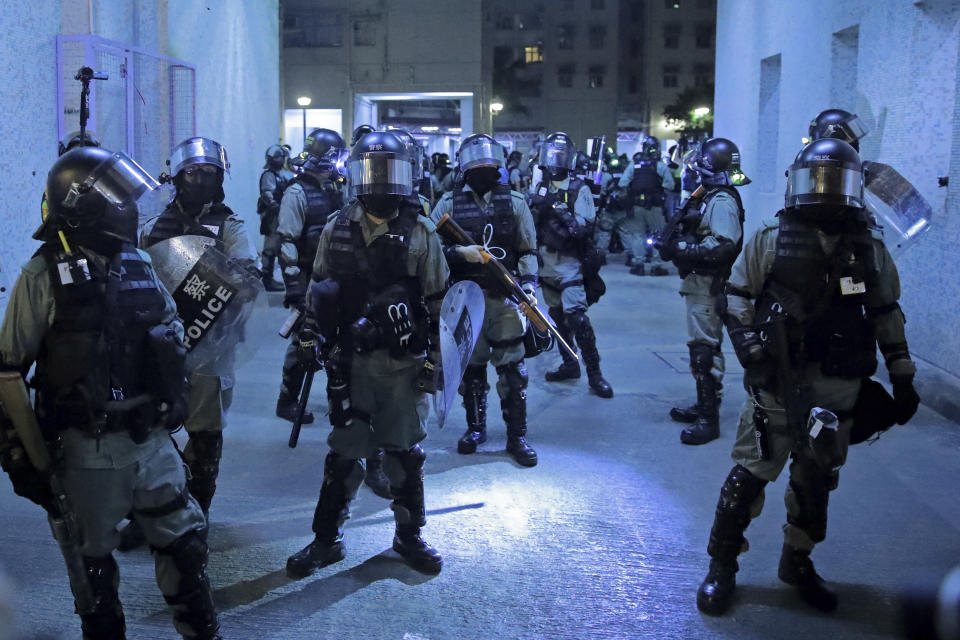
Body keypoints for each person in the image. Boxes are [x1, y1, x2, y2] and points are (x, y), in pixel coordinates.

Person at [0, 146, 221, 638]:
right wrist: (29, 460)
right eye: (117, 196)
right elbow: (8, 371)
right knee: (93, 572)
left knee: (185, 546)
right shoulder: (42, 275)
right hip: (87, 450)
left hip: (152, 441)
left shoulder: (139, 260)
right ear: (84, 205)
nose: (127, 206)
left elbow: (171, 332)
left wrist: (176, 393)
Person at [695, 138, 920, 616]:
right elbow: (735, 295)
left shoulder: (870, 245)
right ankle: (722, 565)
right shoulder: (770, 237)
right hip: (776, 384)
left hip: (840, 386)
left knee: (817, 479)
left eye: (834, 179)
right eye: (815, 178)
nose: (824, 190)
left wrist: (902, 375)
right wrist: (751, 350)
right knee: (749, 476)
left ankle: (797, 560)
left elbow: (885, 312)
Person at [285, 131, 449, 578]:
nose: (380, 182)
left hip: (402, 366)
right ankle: (326, 540)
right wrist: (309, 338)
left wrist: (435, 364)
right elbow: (319, 291)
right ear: (355, 174)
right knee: (344, 454)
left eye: (390, 170)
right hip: (351, 364)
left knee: (403, 454)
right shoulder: (336, 227)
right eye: (371, 170)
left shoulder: (422, 233)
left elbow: (439, 307)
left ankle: (409, 537)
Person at [127, 137, 257, 550]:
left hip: (211, 344)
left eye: (210, 173)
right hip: (159, 343)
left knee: (203, 434)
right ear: (178, 176)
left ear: (221, 178)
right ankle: (150, 512)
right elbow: (135, 274)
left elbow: (249, 283)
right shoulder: (153, 225)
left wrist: (210, 256)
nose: (201, 179)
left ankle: (196, 513)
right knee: (150, 432)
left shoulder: (230, 225)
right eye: (193, 173)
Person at [431, 134, 540, 466]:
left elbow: (527, 250)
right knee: (472, 368)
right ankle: (475, 428)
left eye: (489, 163)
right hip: (465, 299)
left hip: (505, 299)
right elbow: (430, 250)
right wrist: (459, 252)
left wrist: (529, 286)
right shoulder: (448, 204)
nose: (483, 169)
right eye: (476, 164)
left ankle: (516, 435)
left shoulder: (516, 202)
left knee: (512, 370)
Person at [661, 138, 748, 445]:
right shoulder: (711, 196)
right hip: (700, 283)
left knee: (704, 351)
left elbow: (724, 246)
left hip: (709, 285)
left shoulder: (721, 200)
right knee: (701, 346)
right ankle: (703, 405)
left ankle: (708, 420)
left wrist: (684, 248)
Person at [530, 132, 613, 399]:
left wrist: (559, 210)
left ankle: (595, 374)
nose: (554, 161)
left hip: (570, 261)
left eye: (559, 156)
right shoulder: (540, 185)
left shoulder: (579, 188)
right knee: (556, 318)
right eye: (550, 155)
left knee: (577, 317)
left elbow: (583, 230)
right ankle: (569, 363)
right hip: (545, 261)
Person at [274, 129, 348, 424]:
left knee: (337, 341)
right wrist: (294, 285)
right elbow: (287, 241)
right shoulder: (296, 192)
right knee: (303, 342)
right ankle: (287, 400)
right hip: (308, 279)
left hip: (334, 278)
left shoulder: (334, 189)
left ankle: (337, 397)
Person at [617, 136, 674, 275]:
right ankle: (656, 266)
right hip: (655, 206)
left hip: (636, 205)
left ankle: (638, 265)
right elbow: (670, 185)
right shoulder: (659, 165)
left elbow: (622, 183)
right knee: (657, 235)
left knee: (638, 235)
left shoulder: (634, 164)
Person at [258, 144, 294, 292]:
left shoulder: (279, 176)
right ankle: (267, 280)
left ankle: (271, 279)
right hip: (272, 217)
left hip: (279, 216)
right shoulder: (269, 175)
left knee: (278, 247)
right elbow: (267, 194)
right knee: (271, 248)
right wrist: (275, 206)